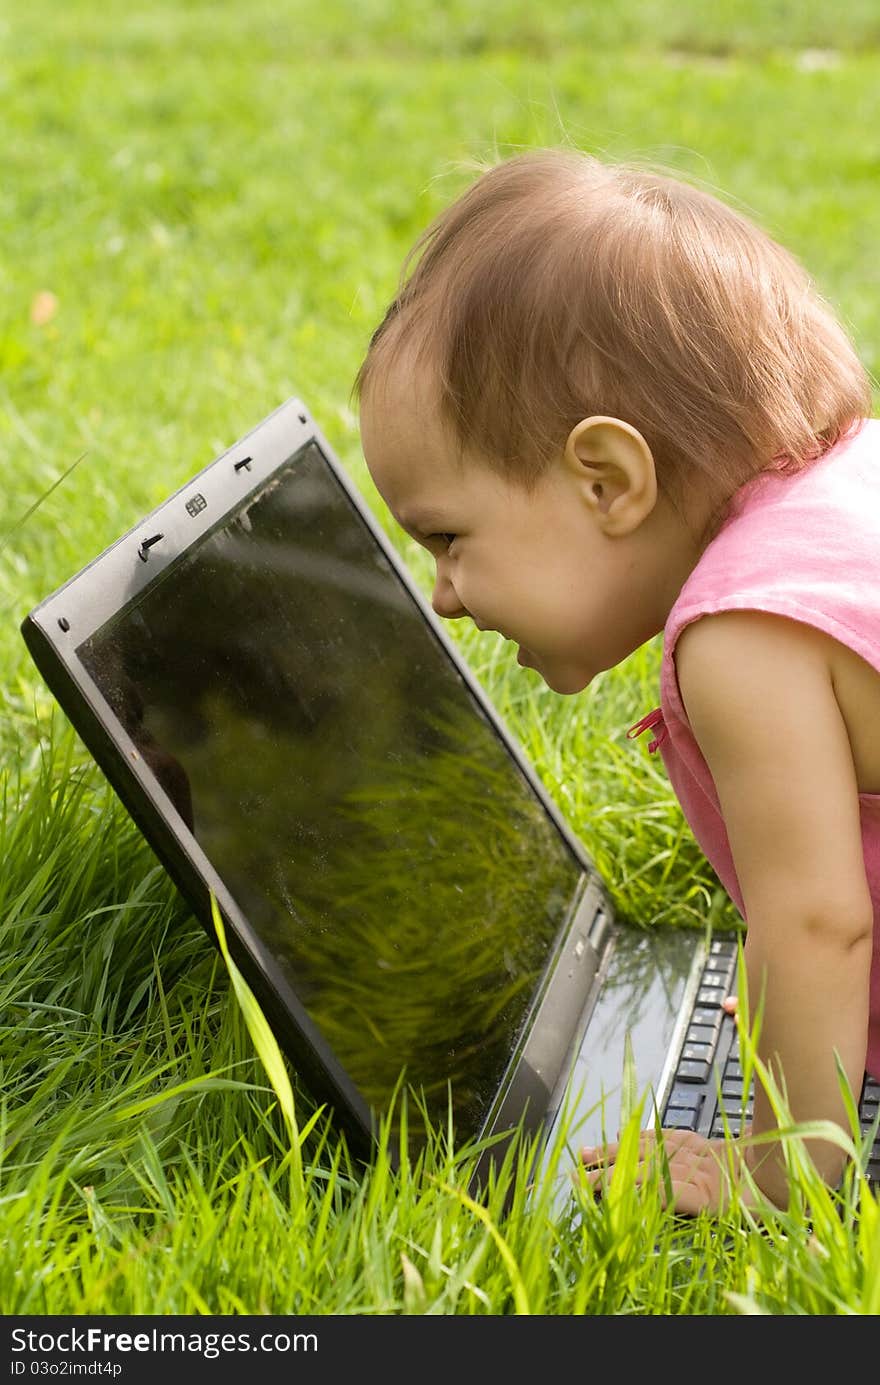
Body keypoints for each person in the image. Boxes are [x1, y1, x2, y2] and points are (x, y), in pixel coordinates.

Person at [352, 147, 880, 1215]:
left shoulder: (744, 633)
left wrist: (771, 1175)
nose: (445, 594)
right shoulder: (845, 480)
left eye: (448, 537)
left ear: (608, 479)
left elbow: (821, 922)